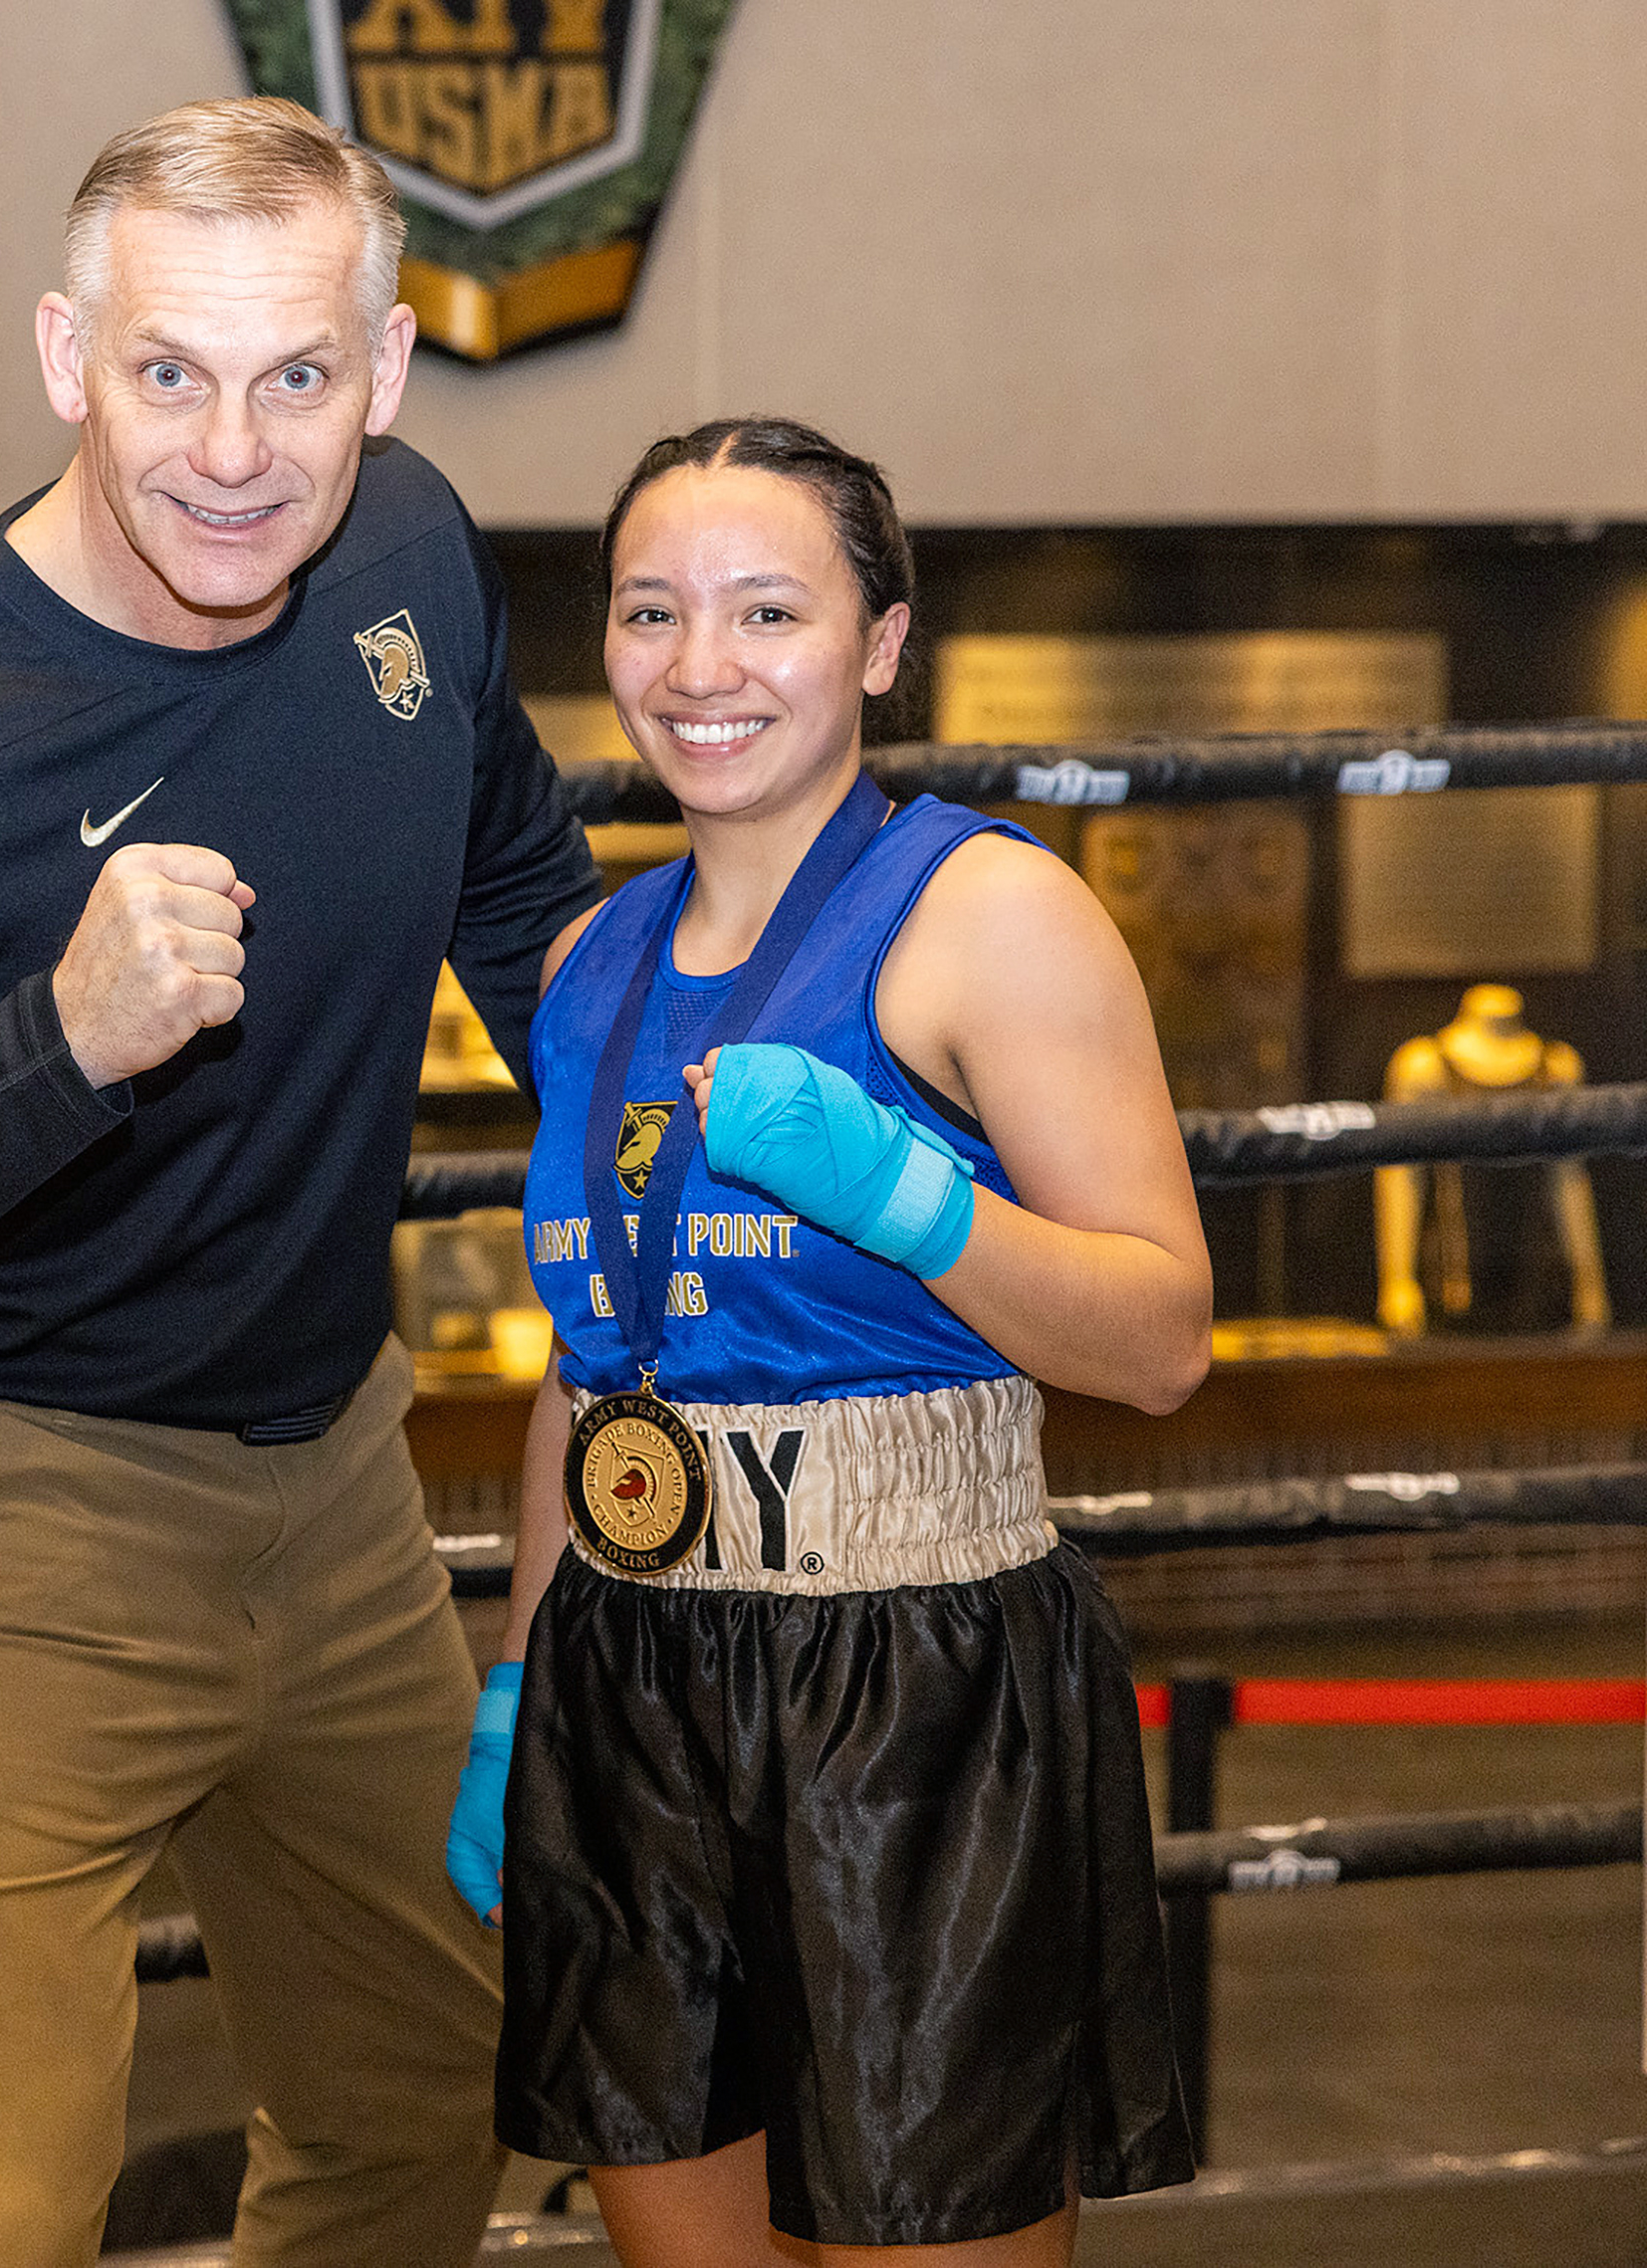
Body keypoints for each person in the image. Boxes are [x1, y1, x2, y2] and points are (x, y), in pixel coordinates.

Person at [0, 97, 600, 2268]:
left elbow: (523, 889)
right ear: (68, 357)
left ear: (382, 372)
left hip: (339, 1473)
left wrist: (703, 1131)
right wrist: (54, 1044)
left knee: (428, 2103)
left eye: (298, 376)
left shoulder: (409, 552)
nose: (233, 448)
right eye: (170, 371)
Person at [452, 415, 1205, 2266]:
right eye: (651, 611)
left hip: (918, 1685)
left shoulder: (988, 914)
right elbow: (586, 1367)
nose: (700, 666)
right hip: (631, 1681)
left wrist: (911, 1197)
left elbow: (1164, 1336)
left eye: (767, 608)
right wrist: (521, 1681)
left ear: (878, 641)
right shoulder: (588, 966)